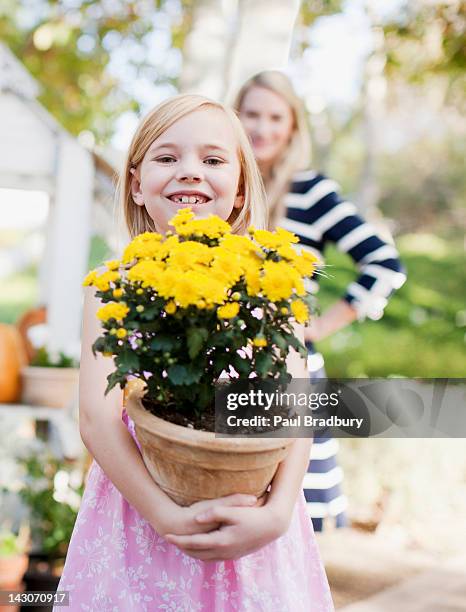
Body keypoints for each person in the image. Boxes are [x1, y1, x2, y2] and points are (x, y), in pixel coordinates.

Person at [55, 94, 334, 611]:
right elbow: (97, 419)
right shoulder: (115, 287)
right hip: (139, 520)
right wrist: (168, 518)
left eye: (212, 160)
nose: (190, 173)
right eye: (167, 158)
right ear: (136, 185)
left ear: (240, 186)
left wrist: (275, 516)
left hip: (253, 520)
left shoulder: (270, 285)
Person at [234, 71, 406, 532]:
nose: (262, 128)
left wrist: (322, 325)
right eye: (251, 114)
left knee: (291, 524)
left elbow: (384, 263)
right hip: (220, 371)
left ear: (293, 127)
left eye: (276, 117)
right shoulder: (223, 185)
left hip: (289, 371)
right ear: (234, 116)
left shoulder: (311, 192)